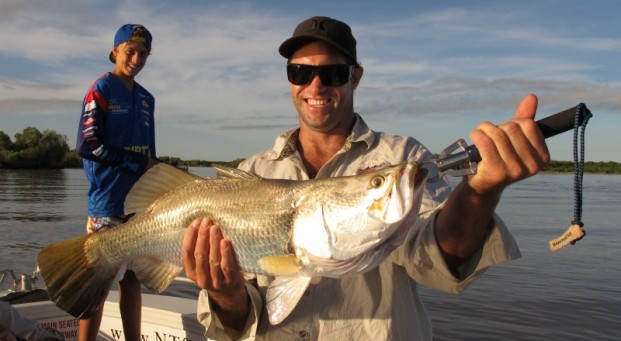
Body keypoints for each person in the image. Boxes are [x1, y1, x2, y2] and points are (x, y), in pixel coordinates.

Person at [181, 16, 549, 340]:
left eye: (333, 73)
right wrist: (226, 295)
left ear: (355, 77)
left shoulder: (404, 158)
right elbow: (233, 323)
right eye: (300, 72)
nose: (315, 86)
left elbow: (437, 262)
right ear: (290, 80)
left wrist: (479, 192)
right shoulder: (251, 174)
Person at [75, 23, 158, 341]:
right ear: (114, 52)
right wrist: (137, 161)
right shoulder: (102, 88)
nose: (136, 59)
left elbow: (150, 152)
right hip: (107, 202)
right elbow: (88, 144)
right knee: (97, 281)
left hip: (139, 202)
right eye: (130, 52)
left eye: (143, 54)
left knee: (133, 278)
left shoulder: (147, 99)